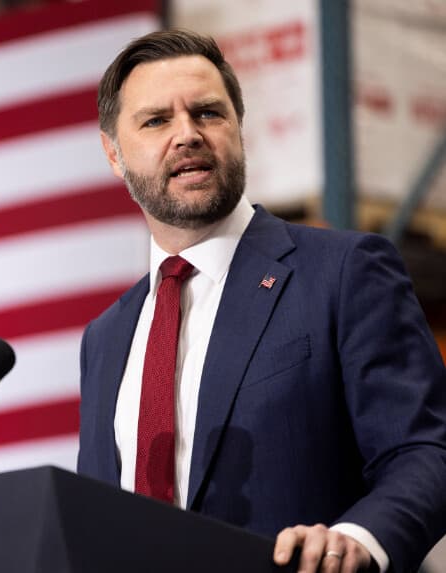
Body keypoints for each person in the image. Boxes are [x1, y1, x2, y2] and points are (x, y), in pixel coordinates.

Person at [76, 28, 446, 573]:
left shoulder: (343, 272)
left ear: (238, 129)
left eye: (207, 113)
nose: (188, 135)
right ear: (114, 153)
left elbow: (425, 449)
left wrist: (359, 540)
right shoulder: (104, 338)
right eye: (157, 120)